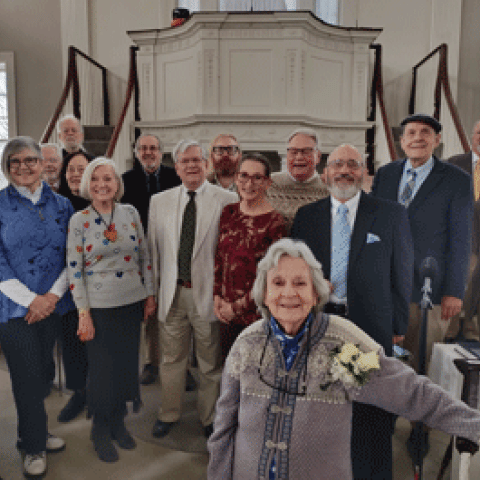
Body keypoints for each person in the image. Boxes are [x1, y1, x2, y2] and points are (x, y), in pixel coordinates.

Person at [207, 238, 480, 480]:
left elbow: (411, 394)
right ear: (264, 294)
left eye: (300, 283)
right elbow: (223, 429)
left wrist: (474, 426)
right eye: (277, 283)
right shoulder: (247, 343)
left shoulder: (340, 347)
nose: (288, 293)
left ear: (315, 294)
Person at [291, 144, 414, 479]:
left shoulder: (390, 214)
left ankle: (370, 472)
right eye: (337, 164)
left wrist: (399, 325)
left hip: (369, 325)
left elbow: (402, 273)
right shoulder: (307, 216)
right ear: (326, 172)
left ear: (364, 172)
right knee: (320, 400)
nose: (344, 170)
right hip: (319, 323)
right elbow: (294, 273)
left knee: (369, 405)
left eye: (353, 164)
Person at [67, 157, 155, 463]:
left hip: (132, 302)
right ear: (87, 184)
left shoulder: (129, 212)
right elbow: (74, 269)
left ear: (117, 183)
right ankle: (100, 429)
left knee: (125, 366)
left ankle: (118, 422)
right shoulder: (79, 219)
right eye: (95, 179)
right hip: (99, 308)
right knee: (102, 372)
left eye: (108, 179)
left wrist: (150, 295)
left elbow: (144, 256)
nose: (102, 185)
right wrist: (83, 313)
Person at [148, 139, 237, 439]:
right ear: (177, 166)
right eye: (185, 161)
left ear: (206, 163)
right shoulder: (158, 202)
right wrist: (153, 292)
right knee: (171, 359)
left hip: (207, 295)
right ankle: (169, 412)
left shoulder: (226, 200)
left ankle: (209, 417)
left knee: (210, 363)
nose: (191, 165)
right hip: (171, 294)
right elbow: (152, 252)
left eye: (197, 160)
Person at [371, 113, 473, 372]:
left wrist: (454, 291)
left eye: (425, 133)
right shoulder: (385, 175)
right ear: (402, 141)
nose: (418, 138)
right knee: (380, 357)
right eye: (412, 133)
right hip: (385, 286)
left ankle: (417, 413)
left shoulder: (456, 179)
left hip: (428, 290)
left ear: (437, 140)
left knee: (420, 361)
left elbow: (461, 238)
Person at [0, 137, 71, 478]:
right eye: (15, 161)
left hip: (53, 306)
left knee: (42, 374)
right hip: (14, 310)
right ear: (6, 166)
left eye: (30, 160)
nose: (24, 167)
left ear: (43, 164)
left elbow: (72, 256)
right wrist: (32, 301)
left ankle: (32, 431)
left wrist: (51, 298)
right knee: (26, 379)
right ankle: (34, 446)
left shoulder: (62, 205)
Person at [122, 133, 181, 386]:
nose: (148, 152)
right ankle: (151, 360)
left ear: (161, 152)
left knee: (175, 308)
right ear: (136, 153)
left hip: (172, 249)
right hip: (137, 252)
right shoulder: (125, 181)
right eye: (143, 148)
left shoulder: (175, 177)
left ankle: (179, 362)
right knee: (149, 307)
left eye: (153, 148)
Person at [214, 153, 286, 360]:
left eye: (257, 178)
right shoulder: (229, 212)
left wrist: (235, 308)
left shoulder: (275, 222)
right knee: (229, 375)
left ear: (267, 183)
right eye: (243, 176)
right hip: (225, 314)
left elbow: (271, 277)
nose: (249, 183)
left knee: (254, 376)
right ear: (236, 178)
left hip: (255, 316)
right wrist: (217, 297)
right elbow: (220, 258)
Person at [55, 152, 94, 423]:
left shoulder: (100, 203)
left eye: (81, 168)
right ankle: (79, 393)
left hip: (96, 285)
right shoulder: (57, 203)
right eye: (70, 169)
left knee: (97, 344)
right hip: (67, 284)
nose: (74, 173)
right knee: (72, 343)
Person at [444, 118, 480, 341]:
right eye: (479, 133)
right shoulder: (454, 164)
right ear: (472, 136)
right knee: (460, 288)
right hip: (463, 242)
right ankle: (449, 333)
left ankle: (473, 334)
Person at [267, 128, 329, 231]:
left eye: (306, 151)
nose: (299, 157)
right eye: (293, 151)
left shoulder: (329, 189)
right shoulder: (268, 183)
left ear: (318, 156)